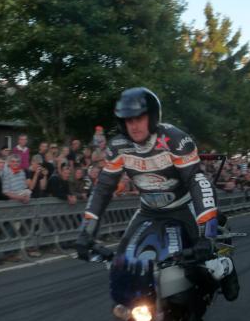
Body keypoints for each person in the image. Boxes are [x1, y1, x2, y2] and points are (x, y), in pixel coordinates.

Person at [75, 87, 239, 301]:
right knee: (123, 263)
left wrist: (206, 235)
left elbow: (197, 181)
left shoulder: (175, 139)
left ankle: (225, 266)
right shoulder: (117, 147)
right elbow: (103, 189)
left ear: (152, 117)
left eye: (139, 118)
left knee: (202, 265)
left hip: (184, 205)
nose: (134, 126)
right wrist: (86, 232)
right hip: (148, 209)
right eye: (128, 120)